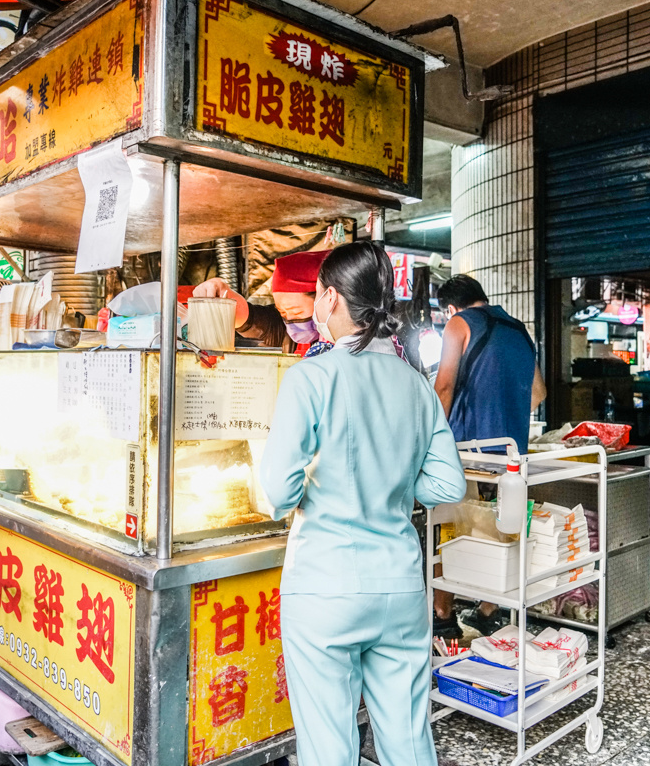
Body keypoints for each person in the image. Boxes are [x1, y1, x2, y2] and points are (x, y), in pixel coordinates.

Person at [260, 242, 466, 766]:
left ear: (330, 299)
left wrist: (321, 483)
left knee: (329, 745)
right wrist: (393, 484)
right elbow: (448, 486)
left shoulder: (311, 376)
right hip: (399, 584)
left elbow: (277, 494)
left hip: (324, 586)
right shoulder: (415, 383)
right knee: (409, 740)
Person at [430, 274, 546, 638]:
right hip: (511, 457)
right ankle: (487, 610)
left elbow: (444, 385)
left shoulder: (458, 323)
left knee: (448, 530)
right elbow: (538, 394)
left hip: (467, 451)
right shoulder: (519, 329)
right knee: (502, 529)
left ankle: (443, 615)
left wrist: (428, 438)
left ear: (450, 307)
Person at [193, 249, 330, 355]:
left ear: (325, 299)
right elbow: (250, 319)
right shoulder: (282, 331)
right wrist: (218, 288)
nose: (289, 320)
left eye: (297, 311)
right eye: (282, 312)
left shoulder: (346, 343)